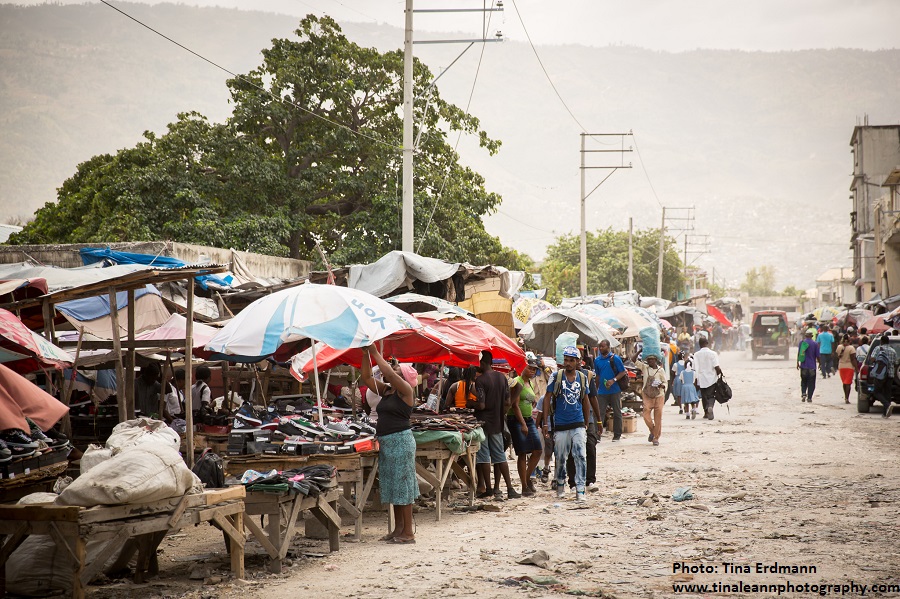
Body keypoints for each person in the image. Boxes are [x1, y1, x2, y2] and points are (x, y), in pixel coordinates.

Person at [359, 345, 418, 544]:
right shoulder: (386, 391)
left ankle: (408, 532)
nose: (393, 370)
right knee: (393, 486)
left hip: (401, 441)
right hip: (388, 442)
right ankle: (398, 529)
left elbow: (390, 375)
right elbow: (366, 377)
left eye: (398, 370)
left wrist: (376, 352)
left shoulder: (406, 391)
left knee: (403, 486)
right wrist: (365, 353)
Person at [541, 346, 598, 502]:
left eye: (571, 360)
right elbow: (547, 398)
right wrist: (545, 422)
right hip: (560, 425)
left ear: (578, 361)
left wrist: (587, 422)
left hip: (578, 423)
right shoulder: (556, 376)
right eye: (566, 360)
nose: (568, 363)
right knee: (560, 457)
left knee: (581, 456)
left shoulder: (582, 378)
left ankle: (580, 490)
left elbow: (586, 400)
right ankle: (560, 485)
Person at [474, 350, 520, 500]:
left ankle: (488, 489)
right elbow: (507, 402)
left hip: (483, 422)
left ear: (482, 363)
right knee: (500, 455)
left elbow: (481, 405)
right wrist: (501, 410)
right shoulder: (502, 377)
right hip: (498, 422)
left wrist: (469, 403)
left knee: (484, 457)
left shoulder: (480, 380)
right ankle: (510, 488)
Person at [506, 357, 544, 497]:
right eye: (530, 368)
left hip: (528, 420)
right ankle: (524, 486)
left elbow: (530, 400)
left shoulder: (530, 383)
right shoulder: (517, 382)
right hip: (517, 420)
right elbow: (515, 406)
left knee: (538, 450)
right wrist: (522, 424)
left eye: (534, 369)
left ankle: (527, 479)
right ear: (522, 368)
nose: (532, 371)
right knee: (522, 453)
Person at [593, 340, 627, 441]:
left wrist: (613, 380)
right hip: (602, 392)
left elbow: (623, 372)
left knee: (617, 412)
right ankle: (597, 435)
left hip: (615, 390)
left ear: (608, 347)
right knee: (599, 413)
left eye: (603, 346)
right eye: (600, 347)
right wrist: (596, 389)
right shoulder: (597, 360)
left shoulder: (615, 358)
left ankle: (617, 435)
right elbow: (598, 376)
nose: (601, 348)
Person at [634, 353, 667, 446]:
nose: (649, 361)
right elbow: (634, 360)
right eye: (648, 360)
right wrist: (640, 350)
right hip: (647, 395)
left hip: (659, 395)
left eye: (652, 359)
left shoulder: (661, 370)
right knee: (646, 416)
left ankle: (656, 438)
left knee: (658, 417)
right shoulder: (645, 368)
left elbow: (665, 382)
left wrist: (662, 385)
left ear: (656, 360)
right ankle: (653, 431)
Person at [693, 336, 723, 419]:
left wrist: (695, 380)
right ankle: (710, 406)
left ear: (699, 345)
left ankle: (706, 412)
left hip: (701, 378)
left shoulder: (696, 355)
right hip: (712, 378)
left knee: (704, 396)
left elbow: (694, 369)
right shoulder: (713, 354)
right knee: (711, 395)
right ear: (707, 343)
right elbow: (717, 367)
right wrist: (719, 376)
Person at [797, 328, 820, 403]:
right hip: (812, 367)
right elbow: (818, 356)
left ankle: (803, 393)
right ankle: (809, 397)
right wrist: (820, 364)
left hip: (803, 366)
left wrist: (797, 362)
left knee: (803, 381)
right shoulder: (815, 344)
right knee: (811, 383)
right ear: (812, 336)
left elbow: (799, 353)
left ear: (805, 335)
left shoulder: (802, 343)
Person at [835, 335, 858, 404]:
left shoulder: (839, 347)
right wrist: (857, 368)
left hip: (841, 367)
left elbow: (837, 356)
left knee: (844, 382)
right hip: (849, 367)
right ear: (849, 340)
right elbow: (853, 359)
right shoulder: (851, 348)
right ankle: (847, 398)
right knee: (848, 383)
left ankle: (845, 397)